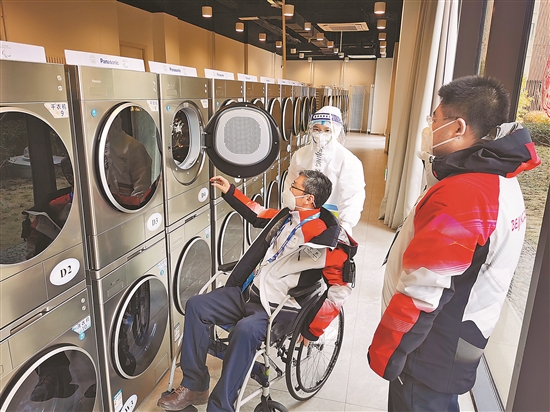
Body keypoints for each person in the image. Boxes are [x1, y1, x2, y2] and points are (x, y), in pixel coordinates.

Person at [368, 76, 541, 412]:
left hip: (429, 350)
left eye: (434, 119)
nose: (430, 127)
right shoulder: (500, 177)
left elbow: (422, 291)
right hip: (457, 338)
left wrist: (386, 353)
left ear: (458, 127)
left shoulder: (466, 195)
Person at [157, 170, 357, 412]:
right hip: (249, 293)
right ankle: (195, 385)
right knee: (197, 306)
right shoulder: (287, 216)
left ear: (309, 199)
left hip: (278, 308)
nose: (288, 189)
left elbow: (340, 289)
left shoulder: (327, 238)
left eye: (294, 186)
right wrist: (230, 191)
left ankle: (220, 407)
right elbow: (257, 213)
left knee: (245, 330)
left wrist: (314, 329)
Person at [284, 105, 366, 236]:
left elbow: (352, 196)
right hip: (301, 218)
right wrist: (287, 209)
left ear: (336, 131)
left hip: (333, 223)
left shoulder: (348, 160)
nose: (321, 134)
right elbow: (290, 184)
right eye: (316, 129)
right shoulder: (301, 155)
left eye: (327, 130)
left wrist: (345, 225)